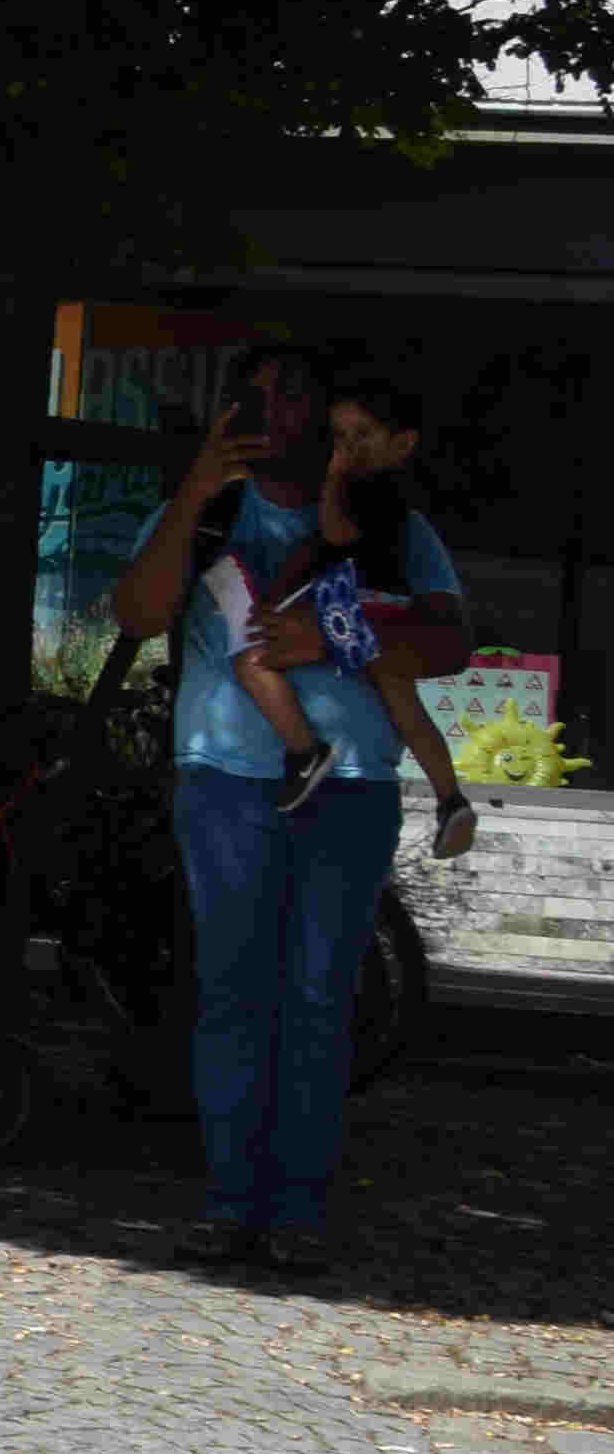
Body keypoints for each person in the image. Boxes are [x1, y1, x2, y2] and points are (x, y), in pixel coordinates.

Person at [112, 343, 468, 1270]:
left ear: (325, 414)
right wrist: (191, 491)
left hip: (348, 786)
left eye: (292, 395)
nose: (270, 412)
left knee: (317, 999)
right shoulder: (210, 512)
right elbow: (136, 614)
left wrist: (339, 635)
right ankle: (233, 1205)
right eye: (253, 396)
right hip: (226, 779)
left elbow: (452, 640)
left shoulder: (387, 520)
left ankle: (298, 1211)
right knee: (234, 992)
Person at [213, 370, 480, 851]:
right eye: (340, 436)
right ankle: (451, 800)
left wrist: (333, 479)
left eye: (362, 436)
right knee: (406, 709)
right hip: (386, 613)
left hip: (350, 608)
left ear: (400, 446)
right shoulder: (399, 502)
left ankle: (305, 753)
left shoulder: (364, 490)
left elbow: (333, 538)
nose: (349, 448)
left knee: (250, 662)